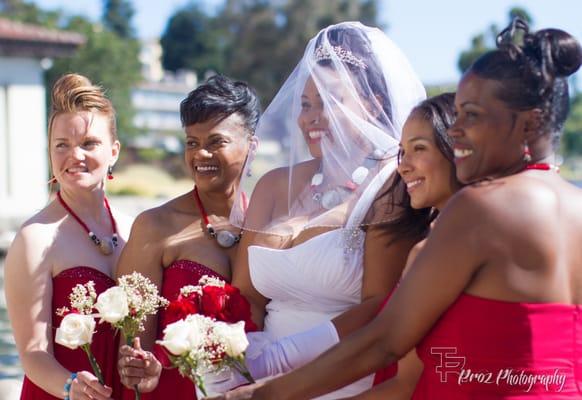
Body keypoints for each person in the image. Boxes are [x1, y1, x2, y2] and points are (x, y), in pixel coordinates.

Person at [214, 18, 582, 400]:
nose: (455, 131)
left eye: (471, 115)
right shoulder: (575, 206)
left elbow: (386, 339)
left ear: (530, 124)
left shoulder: (481, 209)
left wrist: (263, 394)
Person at [215, 21, 428, 399]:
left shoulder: (393, 185)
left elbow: (381, 305)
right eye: (306, 104)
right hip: (256, 379)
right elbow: (246, 295)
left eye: (329, 102)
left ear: (373, 104)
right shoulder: (274, 185)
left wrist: (283, 362)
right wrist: (229, 359)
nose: (311, 117)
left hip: (344, 379)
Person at [115, 75, 260, 398]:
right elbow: (135, 344)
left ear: (252, 144)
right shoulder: (155, 227)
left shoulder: (270, 225)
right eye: (192, 142)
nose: (201, 155)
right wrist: (141, 368)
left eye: (215, 142)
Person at [5, 73, 132, 400]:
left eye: (89, 143)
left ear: (114, 151)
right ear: (50, 152)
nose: (75, 156)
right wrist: (70, 386)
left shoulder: (133, 230)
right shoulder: (35, 239)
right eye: (62, 145)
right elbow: (33, 353)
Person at [351, 93, 460, 399]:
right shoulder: (431, 237)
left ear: (457, 150)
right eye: (402, 152)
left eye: (419, 149)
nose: (403, 167)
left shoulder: (441, 250)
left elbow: (405, 382)